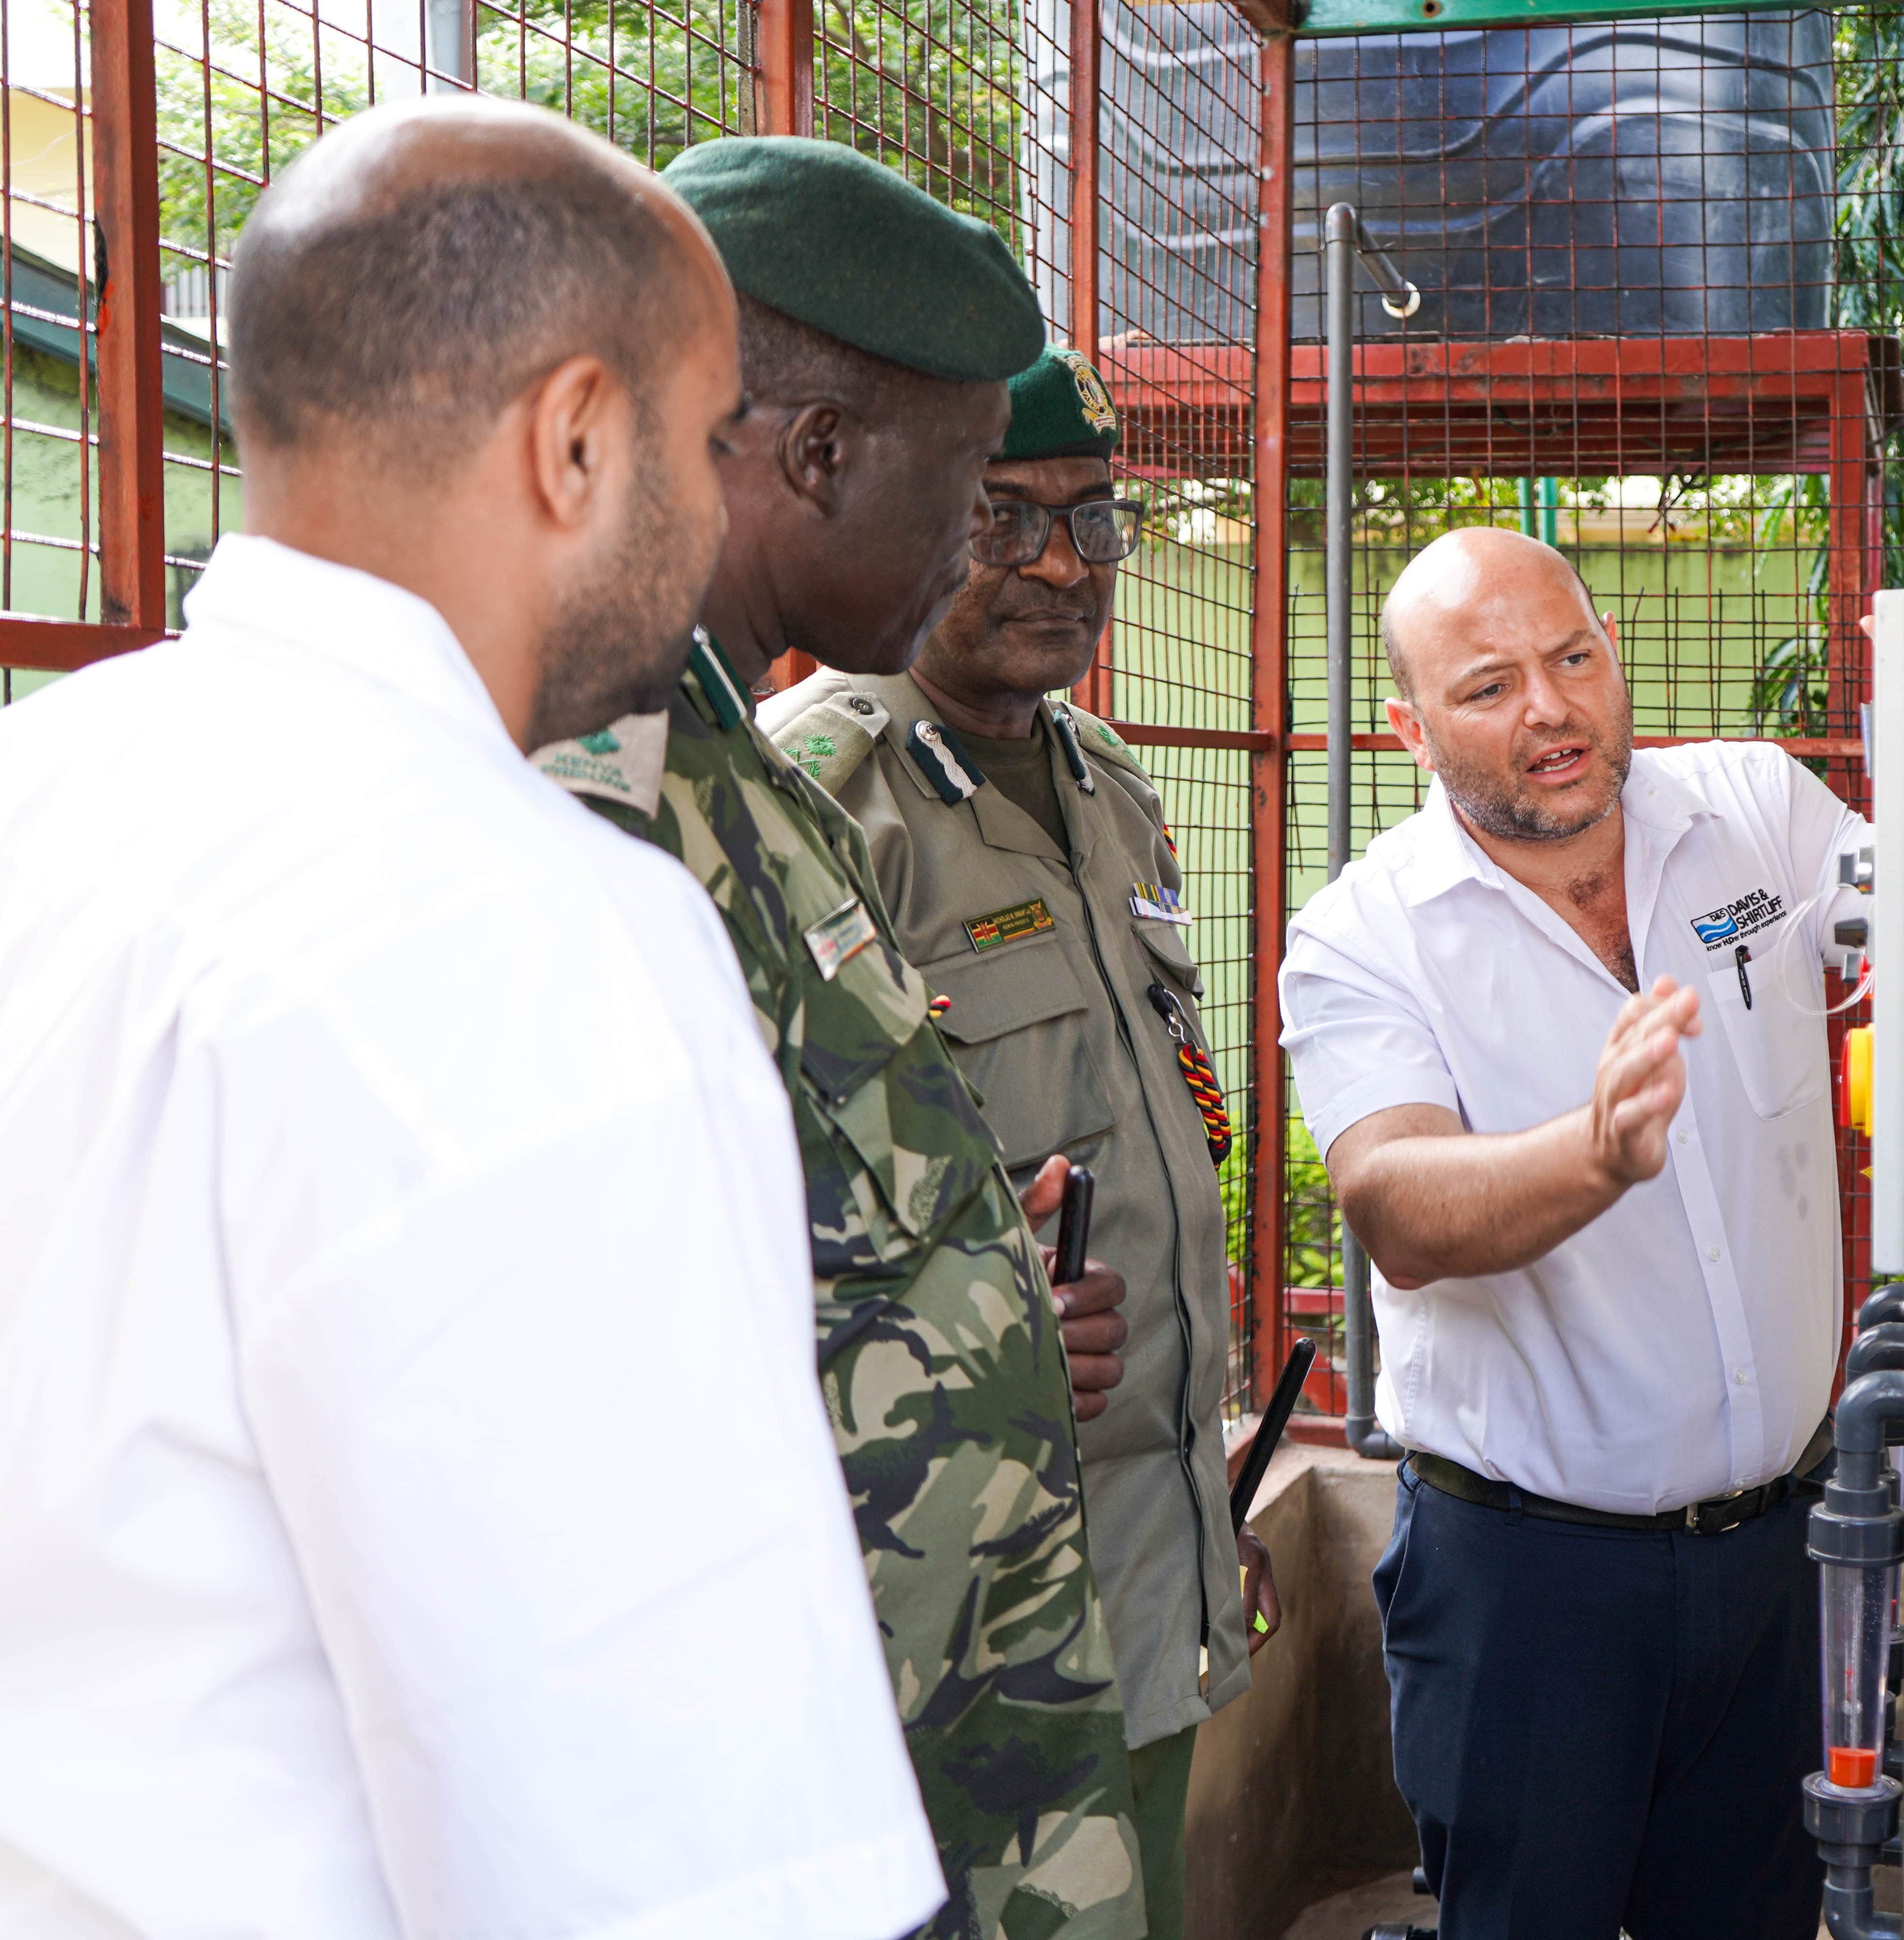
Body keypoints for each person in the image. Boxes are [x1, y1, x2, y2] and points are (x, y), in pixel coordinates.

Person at [0, 99, 943, 1939]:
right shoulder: (540, 926)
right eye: (705, 443)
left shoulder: (44, 790)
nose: (714, 518)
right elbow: (685, 1855)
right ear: (576, 439)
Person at [526, 141, 1140, 1940]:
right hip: (789, 1798)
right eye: (968, 492)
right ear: (815, 454)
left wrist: (978, 1270)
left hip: (944, 1739)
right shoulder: (583, 790)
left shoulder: (725, 758)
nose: (985, 551)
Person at [1276, 526, 1868, 1940]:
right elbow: (1395, 1205)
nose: (1550, 708)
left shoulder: (1757, 815)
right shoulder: (1363, 934)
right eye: (1489, 688)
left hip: (1778, 1563)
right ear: (1410, 731)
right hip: (1529, 1591)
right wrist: (1593, 1155)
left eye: (1573, 657)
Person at [762, 346, 1270, 1939]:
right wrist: (967, 1317)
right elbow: (753, 1222)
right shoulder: (821, 796)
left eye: (1094, 519)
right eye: (1007, 518)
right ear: (921, 516)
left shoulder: (1107, 786)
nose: (1064, 566)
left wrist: (1205, 1506)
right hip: (960, 1590)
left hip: (1150, 1565)